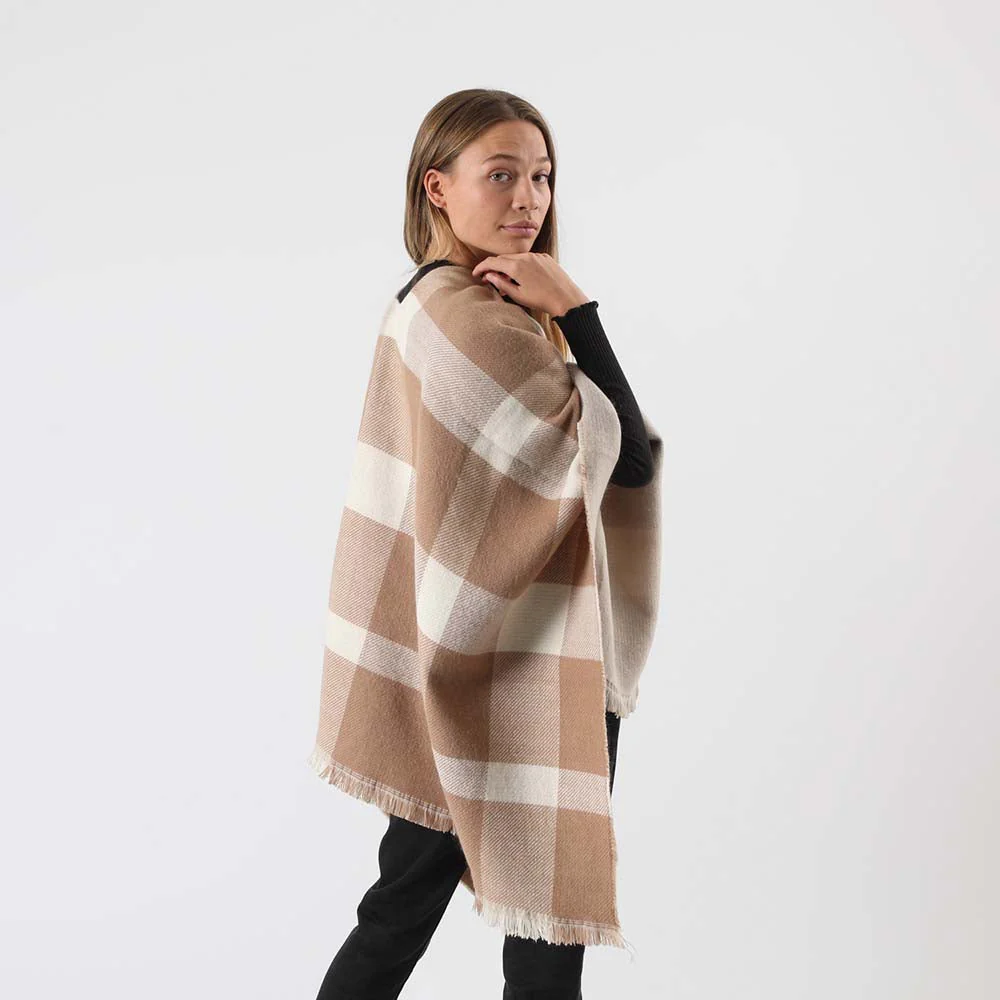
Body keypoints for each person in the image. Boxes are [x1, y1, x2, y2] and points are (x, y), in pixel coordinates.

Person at [314, 87, 655, 1000]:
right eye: (501, 175)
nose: (528, 199)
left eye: (541, 176)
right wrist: (577, 310)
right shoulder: (471, 319)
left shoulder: (439, 306)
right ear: (437, 186)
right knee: (532, 935)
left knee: (401, 911)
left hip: (470, 652)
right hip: (513, 666)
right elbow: (626, 459)